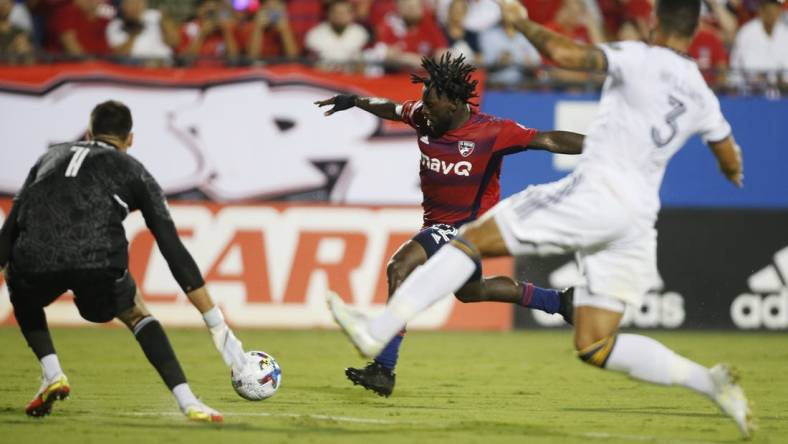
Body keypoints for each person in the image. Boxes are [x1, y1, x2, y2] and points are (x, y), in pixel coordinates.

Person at [327, 0, 754, 438]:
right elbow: (727, 156)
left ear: (654, 21)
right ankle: (707, 380)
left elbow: (566, 70)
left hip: (593, 193)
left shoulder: (634, 57)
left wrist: (522, 22)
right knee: (593, 343)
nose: (426, 109)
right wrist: (734, 169)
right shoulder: (702, 92)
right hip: (638, 216)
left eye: (433, 102)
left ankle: (379, 340)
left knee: (462, 243)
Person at [316, 53, 581, 397]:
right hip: (440, 225)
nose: (423, 109)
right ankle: (559, 303)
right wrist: (353, 101)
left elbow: (548, 140)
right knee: (472, 292)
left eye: (431, 103)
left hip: (468, 229)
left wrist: (604, 150)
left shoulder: (493, 131)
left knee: (400, 267)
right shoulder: (424, 117)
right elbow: (391, 107)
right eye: (423, 102)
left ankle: (384, 367)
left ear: (455, 104)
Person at [0, 101, 249, 422]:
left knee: (18, 285)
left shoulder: (47, 158)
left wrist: (10, 271)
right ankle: (188, 401)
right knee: (135, 312)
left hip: (36, 257)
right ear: (129, 140)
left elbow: (7, 235)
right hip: (97, 260)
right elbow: (172, 248)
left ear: (89, 133)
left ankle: (52, 373)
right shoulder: (134, 171)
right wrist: (216, 324)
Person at [479, 1, 542, 86]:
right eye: (507, 10)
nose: (511, 14)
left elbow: (536, 62)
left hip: (523, 83)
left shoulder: (528, 36)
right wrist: (499, 60)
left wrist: (526, 62)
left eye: (514, 10)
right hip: (496, 84)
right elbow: (484, 62)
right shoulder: (488, 35)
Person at [730, 0, 788, 88]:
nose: (772, 15)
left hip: (782, 92)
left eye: (775, 11)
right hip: (751, 91)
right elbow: (735, 66)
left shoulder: (785, 34)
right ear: (761, 11)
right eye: (769, 11)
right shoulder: (746, 33)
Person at [106, 0, 180, 63]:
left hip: (163, 63)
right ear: (123, 5)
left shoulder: (156, 16)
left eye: (139, 2)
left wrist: (166, 23)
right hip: (134, 66)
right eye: (131, 3)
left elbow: (174, 42)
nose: (136, 6)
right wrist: (133, 36)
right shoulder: (115, 25)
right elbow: (119, 56)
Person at [304, 0, 368, 69]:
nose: (339, 16)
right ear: (328, 14)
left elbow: (364, 64)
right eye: (336, 12)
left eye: (344, 13)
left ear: (352, 14)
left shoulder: (361, 34)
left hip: (351, 77)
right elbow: (312, 65)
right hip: (323, 77)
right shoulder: (314, 35)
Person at [46, 0, 113, 57]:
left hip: (100, 66)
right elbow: (71, 46)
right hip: (68, 66)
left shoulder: (103, 18)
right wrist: (93, 64)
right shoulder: (67, 12)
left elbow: (112, 48)